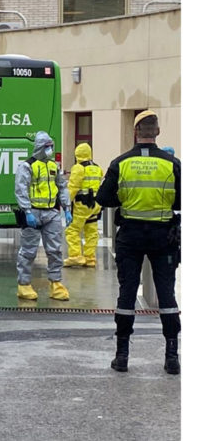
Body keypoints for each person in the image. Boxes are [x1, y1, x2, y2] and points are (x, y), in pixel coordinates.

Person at [96, 110, 181, 374]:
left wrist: (127, 199)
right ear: (157, 131)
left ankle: (122, 356)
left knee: (127, 293)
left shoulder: (120, 163)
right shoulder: (172, 163)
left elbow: (104, 198)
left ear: (136, 132)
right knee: (167, 295)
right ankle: (171, 357)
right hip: (163, 236)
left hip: (130, 236)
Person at [14, 131, 72, 301]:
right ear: (40, 147)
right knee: (28, 251)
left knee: (55, 250)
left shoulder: (54, 166)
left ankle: (56, 283)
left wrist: (67, 208)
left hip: (51, 213)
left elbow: (62, 187)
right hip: (33, 212)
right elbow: (21, 189)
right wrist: (27, 211)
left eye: (51, 147)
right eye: (47, 147)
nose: (50, 150)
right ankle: (23, 284)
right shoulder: (27, 166)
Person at [64, 143, 103, 267]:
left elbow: (73, 187)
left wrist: (66, 203)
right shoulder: (97, 168)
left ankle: (75, 256)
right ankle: (90, 258)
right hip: (95, 205)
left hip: (82, 205)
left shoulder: (78, 168)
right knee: (91, 231)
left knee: (73, 230)